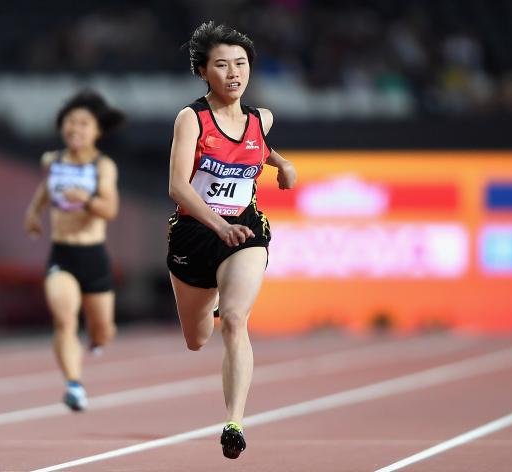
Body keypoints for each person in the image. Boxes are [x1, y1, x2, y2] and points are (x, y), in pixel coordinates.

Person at [167, 21, 297, 459]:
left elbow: (259, 144)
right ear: (204, 72)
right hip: (195, 235)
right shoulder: (192, 119)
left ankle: (234, 423)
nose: (234, 73)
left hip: (245, 231)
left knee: (237, 320)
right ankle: (212, 297)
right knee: (196, 338)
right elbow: (179, 187)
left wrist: (282, 163)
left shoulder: (263, 118)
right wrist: (217, 226)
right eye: (222, 65)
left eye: (240, 64)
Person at [24, 90, 123, 411]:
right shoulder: (51, 161)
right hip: (62, 255)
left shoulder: (103, 166)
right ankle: (74, 385)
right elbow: (44, 190)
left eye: (83, 123)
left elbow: (109, 209)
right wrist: (33, 214)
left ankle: (98, 339)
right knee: (64, 319)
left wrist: (86, 199)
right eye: (69, 122)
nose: (75, 129)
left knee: (103, 331)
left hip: (93, 256)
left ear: (96, 131)